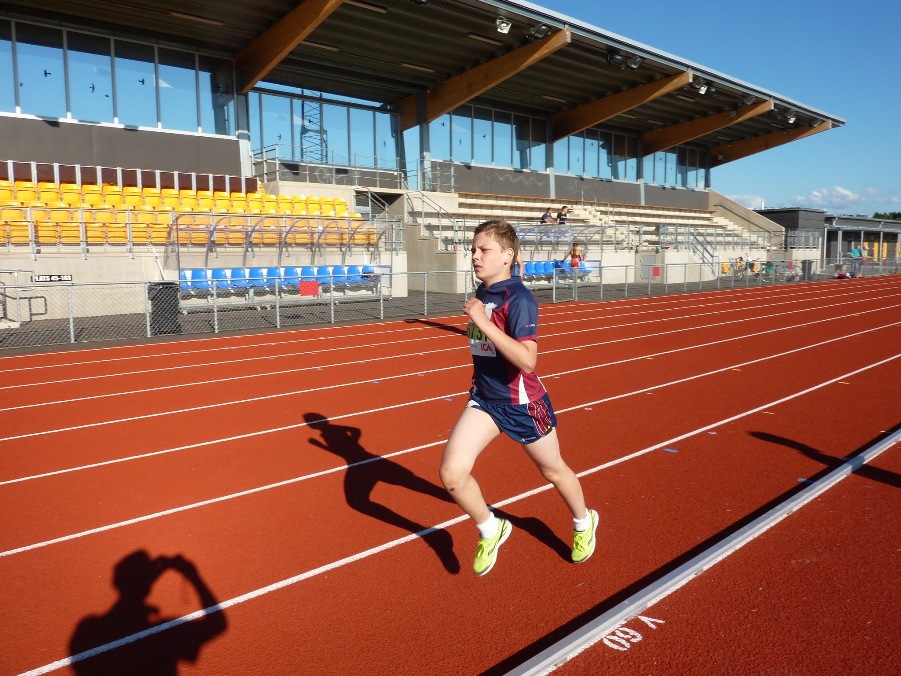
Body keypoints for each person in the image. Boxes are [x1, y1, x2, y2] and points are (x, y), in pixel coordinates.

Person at [439, 219, 598, 576]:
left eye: (484, 250)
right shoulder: (483, 293)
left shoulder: (521, 299)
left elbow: (528, 360)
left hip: (523, 404)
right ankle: (490, 528)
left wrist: (483, 322)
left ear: (507, 255)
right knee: (451, 475)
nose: (475, 256)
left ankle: (583, 521)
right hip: (485, 400)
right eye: (473, 250)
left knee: (552, 470)